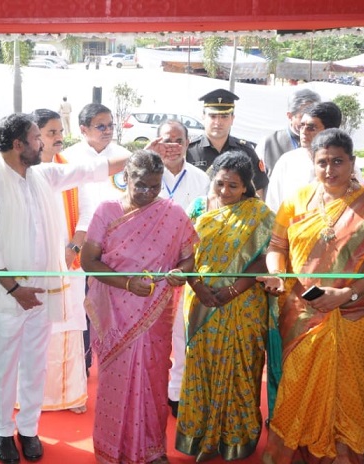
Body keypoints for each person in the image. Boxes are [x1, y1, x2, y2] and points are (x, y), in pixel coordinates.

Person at [0, 113, 128, 464]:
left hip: (41, 295)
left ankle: (28, 428)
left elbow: (91, 171)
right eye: (36, 138)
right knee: (6, 366)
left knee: (35, 365)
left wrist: (142, 155)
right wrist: (14, 289)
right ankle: (2, 432)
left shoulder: (42, 175)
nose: (44, 144)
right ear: (18, 145)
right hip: (8, 298)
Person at [258, 129, 364, 464]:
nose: (330, 169)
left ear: (352, 162)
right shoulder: (295, 200)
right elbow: (277, 247)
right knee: (295, 388)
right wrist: (276, 273)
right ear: (312, 163)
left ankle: (344, 457)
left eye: (337, 161)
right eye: (322, 162)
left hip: (355, 314)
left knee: (348, 394)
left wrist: (346, 292)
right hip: (302, 312)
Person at [80, 150, 195, 464]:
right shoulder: (106, 211)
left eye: (155, 186)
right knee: (116, 381)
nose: (147, 192)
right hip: (117, 311)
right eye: (141, 184)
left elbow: (189, 258)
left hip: (155, 312)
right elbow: (87, 261)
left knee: (154, 379)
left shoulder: (172, 213)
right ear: (125, 178)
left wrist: (180, 273)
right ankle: (111, 449)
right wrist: (128, 283)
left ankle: (151, 449)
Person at [175, 151, 274, 461]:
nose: (225, 192)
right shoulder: (199, 207)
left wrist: (231, 290)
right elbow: (184, 252)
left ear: (246, 187)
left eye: (234, 186)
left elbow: (262, 260)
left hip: (242, 304)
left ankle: (235, 439)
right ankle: (199, 436)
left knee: (241, 368)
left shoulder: (260, 213)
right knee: (200, 365)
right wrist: (199, 286)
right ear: (212, 179)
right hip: (201, 301)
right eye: (220, 184)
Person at [62, 103, 132, 373]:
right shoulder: (68, 158)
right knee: (82, 305)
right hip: (80, 242)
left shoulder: (125, 156)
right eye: (100, 126)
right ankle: (83, 361)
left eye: (110, 125)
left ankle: (116, 361)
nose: (107, 131)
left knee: (115, 304)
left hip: (118, 246)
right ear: (83, 129)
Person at [148, 119, 209, 417]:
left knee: (182, 333)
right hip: (150, 268)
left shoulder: (202, 179)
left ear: (188, 143)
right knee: (150, 334)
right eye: (165, 140)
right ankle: (150, 390)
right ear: (156, 142)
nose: (171, 146)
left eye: (178, 140)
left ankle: (177, 392)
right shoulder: (144, 176)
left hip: (187, 266)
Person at [32, 109, 87, 414]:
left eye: (60, 132)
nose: (58, 138)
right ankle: (32, 398)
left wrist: (75, 245)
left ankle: (70, 395)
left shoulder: (70, 169)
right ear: (34, 135)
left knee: (68, 327)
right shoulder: (22, 172)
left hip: (69, 264)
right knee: (37, 329)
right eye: (52, 132)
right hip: (35, 267)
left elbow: (88, 211)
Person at [187, 89, 268, 198]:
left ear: (232, 119)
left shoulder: (246, 151)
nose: (218, 122)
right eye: (213, 116)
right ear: (203, 117)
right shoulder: (189, 151)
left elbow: (258, 191)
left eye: (224, 116)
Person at [265, 102, 343, 211]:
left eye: (311, 128)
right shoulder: (287, 161)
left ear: (329, 131)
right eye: (302, 125)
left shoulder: (346, 167)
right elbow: (273, 206)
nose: (303, 132)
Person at [256, 89, 321, 175]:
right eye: (303, 116)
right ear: (290, 116)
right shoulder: (269, 143)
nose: (308, 121)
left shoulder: (323, 141)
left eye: (313, 116)